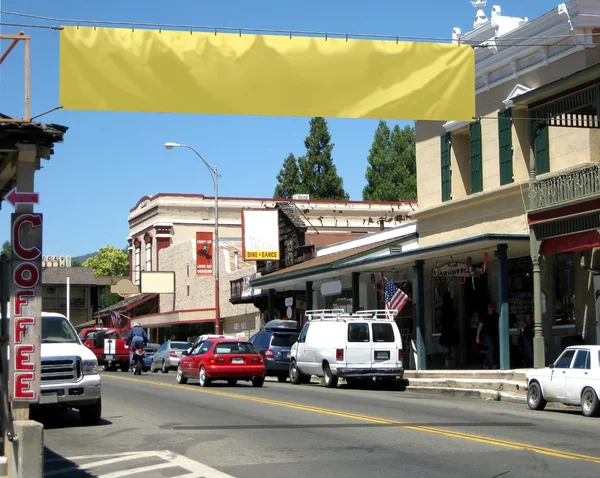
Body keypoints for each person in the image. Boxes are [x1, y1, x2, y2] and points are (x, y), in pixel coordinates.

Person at [476, 303, 499, 370]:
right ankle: (493, 364)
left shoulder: (496, 315)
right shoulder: (484, 316)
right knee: (491, 347)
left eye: (492, 307)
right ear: (487, 308)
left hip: (494, 335)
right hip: (487, 335)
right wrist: (477, 336)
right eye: (489, 307)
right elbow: (480, 326)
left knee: (492, 349)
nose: (491, 308)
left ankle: (486, 363)